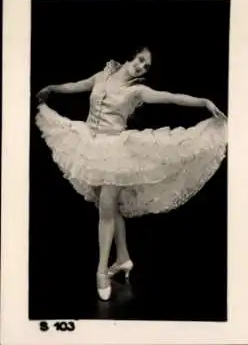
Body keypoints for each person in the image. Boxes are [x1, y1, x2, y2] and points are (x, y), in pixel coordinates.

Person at [35, 46, 227, 301]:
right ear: (130, 57)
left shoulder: (137, 91)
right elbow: (77, 85)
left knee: (106, 205)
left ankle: (101, 271)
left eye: (146, 66)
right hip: (89, 143)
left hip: (116, 150)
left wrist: (203, 102)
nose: (141, 67)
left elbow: (171, 96)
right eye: (140, 60)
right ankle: (123, 257)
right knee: (111, 208)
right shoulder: (101, 76)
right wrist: (53, 88)